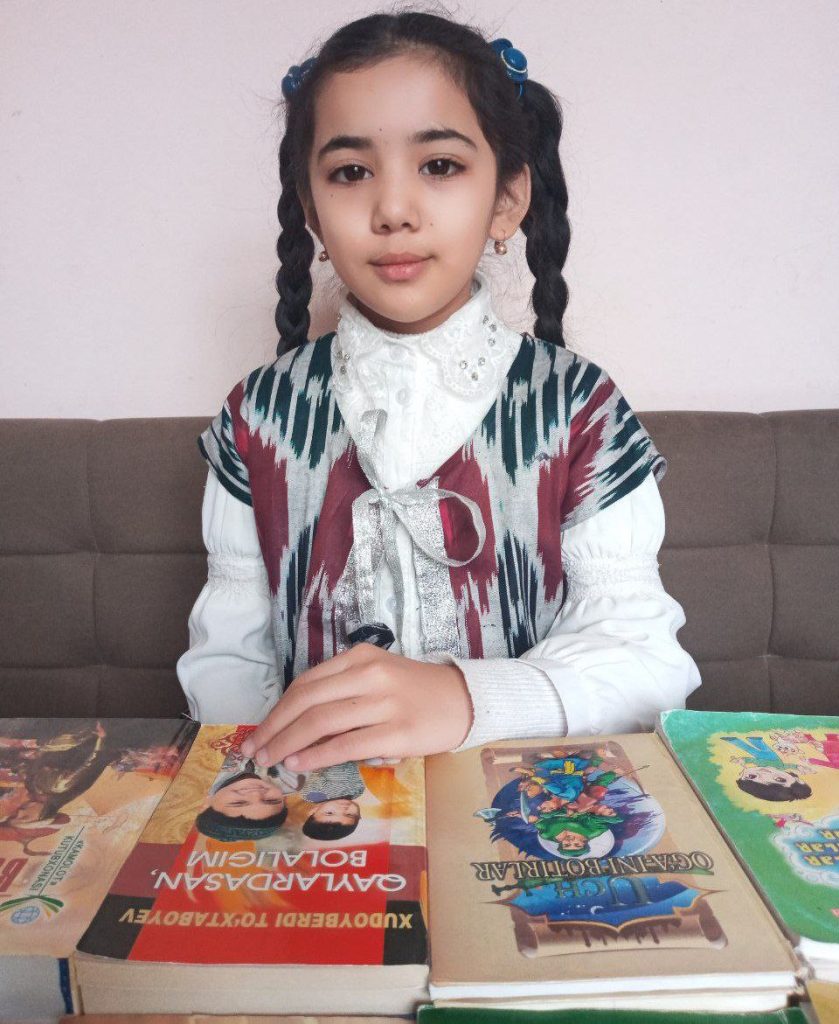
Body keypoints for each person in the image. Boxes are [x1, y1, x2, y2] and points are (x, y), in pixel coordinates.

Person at [177, 10, 700, 774]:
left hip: (528, 807)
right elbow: (227, 664)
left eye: (440, 166)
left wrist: (466, 699)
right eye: (350, 171)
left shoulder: (579, 409)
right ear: (312, 206)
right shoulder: (256, 416)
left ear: (506, 201)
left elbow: (646, 661)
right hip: (322, 827)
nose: (392, 210)